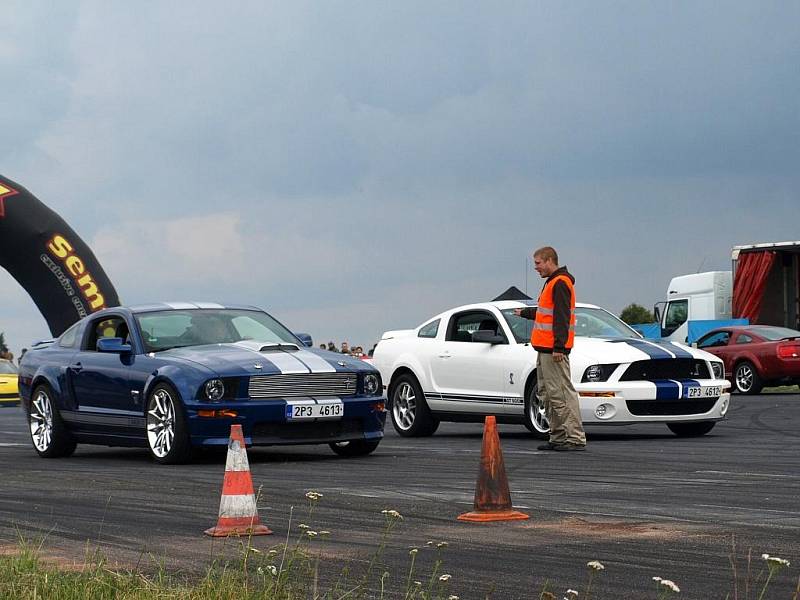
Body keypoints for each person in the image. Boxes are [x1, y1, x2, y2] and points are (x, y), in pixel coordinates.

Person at [514, 246, 586, 451]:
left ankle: (574, 437)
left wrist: (559, 348)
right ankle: (558, 436)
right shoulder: (553, 282)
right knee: (548, 393)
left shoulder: (560, 283)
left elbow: (562, 318)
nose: (536, 267)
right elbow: (548, 313)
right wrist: (526, 313)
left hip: (553, 350)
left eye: (538, 263)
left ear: (549, 260)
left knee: (561, 393)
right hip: (544, 350)